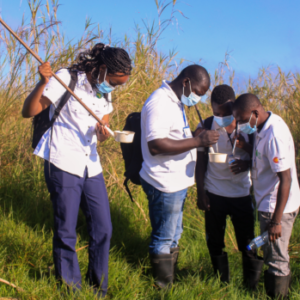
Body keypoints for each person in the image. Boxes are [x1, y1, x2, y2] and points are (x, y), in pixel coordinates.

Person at [22, 43, 132, 297]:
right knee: (66, 229)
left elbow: (101, 126)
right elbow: (28, 112)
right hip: (62, 160)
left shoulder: (105, 92)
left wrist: (102, 134)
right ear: (103, 69)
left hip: (90, 164)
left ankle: (99, 289)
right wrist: (42, 82)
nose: (114, 88)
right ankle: (71, 289)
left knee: (103, 227)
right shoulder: (66, 78)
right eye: (114, 82)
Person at [139, 64, 220, 288]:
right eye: (198, 93)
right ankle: (162, 287)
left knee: (174, 233)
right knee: (164, 237)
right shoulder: (160, 102)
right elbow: (156, 145)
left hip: (176, 183)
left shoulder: (176, 101)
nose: (198, 99)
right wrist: (198, 141)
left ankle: (168, 279)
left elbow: (173, 137)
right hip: (164, 183)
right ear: (186, 83)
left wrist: (193, 136)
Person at [233, 93, 300, 299]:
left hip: (276, 207)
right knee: (270, 253)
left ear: (255, 112)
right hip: (267, 204)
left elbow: (285, 179)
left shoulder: (274, 134)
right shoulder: (263, 127)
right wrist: (248, 161)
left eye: (243, 120)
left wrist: (276, 221)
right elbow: (266, 158)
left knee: (277, 259)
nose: (241, 125)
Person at [195, 84, 263, 288]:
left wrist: (246, 161)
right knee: (215, 241)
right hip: (214, 193)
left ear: (234, 107)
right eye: (216, 113)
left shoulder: (248, 127)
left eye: (225, 114)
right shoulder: (207, 125)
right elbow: (201, 163)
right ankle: (221, 284)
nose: (221, 118)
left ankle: (250, 286)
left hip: (241, 194)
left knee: (248, 243)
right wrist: (201, 193)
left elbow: (262, 156)